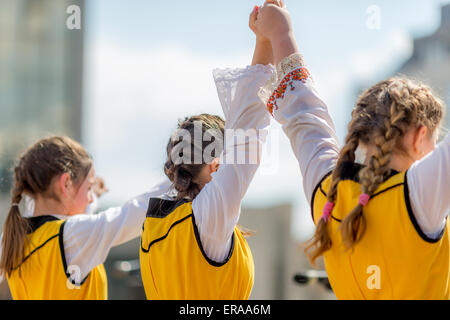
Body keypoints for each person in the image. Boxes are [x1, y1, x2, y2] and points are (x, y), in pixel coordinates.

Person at [254, 2, 450, 299]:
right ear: (419, 137)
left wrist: (281, 32)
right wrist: (281, 32)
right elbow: (304, 115)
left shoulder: (327, 192)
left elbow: (304, 114)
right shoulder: (419, 194)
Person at [138, 4, 276, 300]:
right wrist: (267, 40)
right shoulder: (209, 216)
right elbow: (248, 128)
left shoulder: (156, 219)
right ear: (216, 165)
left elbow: (244, 127)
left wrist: (263, 41)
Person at [0, 136, 172, 299]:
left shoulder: (11, 240)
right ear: (66, 183)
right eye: (88, 188)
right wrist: (182, 175)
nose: (90, 198)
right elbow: (136, 212)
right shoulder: (71, 236)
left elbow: (76, 224)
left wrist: (92, 194)